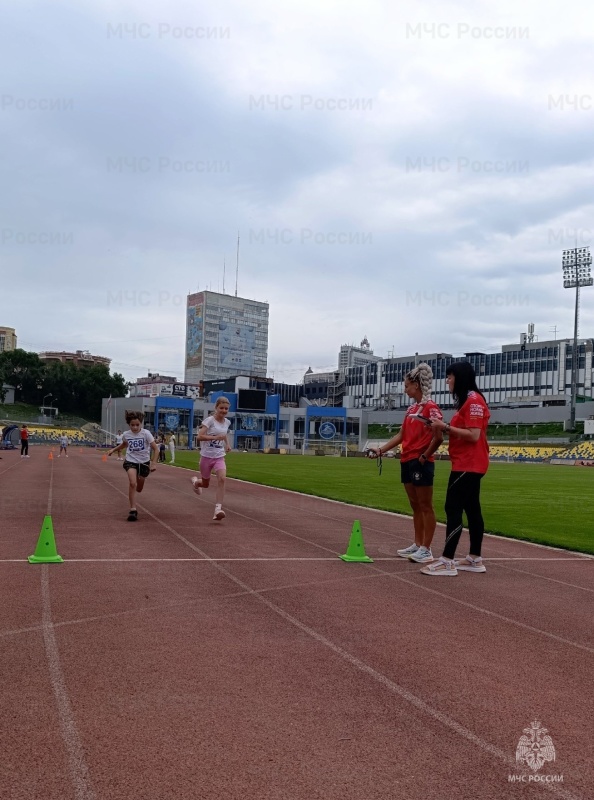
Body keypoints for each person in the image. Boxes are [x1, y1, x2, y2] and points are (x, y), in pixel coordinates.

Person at [420, 361, 490, 576]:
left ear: (459, 377)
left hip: (468, 464)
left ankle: (447, 560)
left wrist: (445, 427)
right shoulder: (468, 401)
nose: (447, 381)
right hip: (469, 462)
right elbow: (467, 432)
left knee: (453, 508)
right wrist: (441, 428)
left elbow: (474, 435)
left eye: (450, 376)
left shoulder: (473, 401)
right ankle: (475, 558)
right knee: (472, 509)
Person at [368, 363, 443, 563]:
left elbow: (439, 437)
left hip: (421, 461)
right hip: (407, 459)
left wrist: (425, 456)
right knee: (415, 505)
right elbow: (402, 434)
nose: (405, 389)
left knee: (425, 505)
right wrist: (381, 450)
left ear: (416, 386)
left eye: (407, 385)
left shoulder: (431, 408)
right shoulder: (411, 409)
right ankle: (418, 544)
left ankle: (426, 548)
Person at [107, 411, 158, 521]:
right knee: (132, 483)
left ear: (141, 424)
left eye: (137, 425)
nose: (135, 427)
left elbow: (156, 449)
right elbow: (125, 444)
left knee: (139, 488)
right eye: (132, 425)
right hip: (131, 460)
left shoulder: (146, 434)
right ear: (129, 425)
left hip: (144, 462)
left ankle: (137, 491)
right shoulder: (126, 434)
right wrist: (113, 449)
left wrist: (153, 463)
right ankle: (133, 510)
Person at [191, 397, 231, 520]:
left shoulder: (227, 422)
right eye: (221, 408)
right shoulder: (209, 421)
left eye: (226, 409)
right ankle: (196, 483)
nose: (224, 411)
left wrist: (227, 444)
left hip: (219, 456)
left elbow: (223, 435)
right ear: (216, 408)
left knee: (222, 479)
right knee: (206, 484)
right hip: (206, 457)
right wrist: (214, 438)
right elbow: (199, 437)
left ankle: (218, 509)